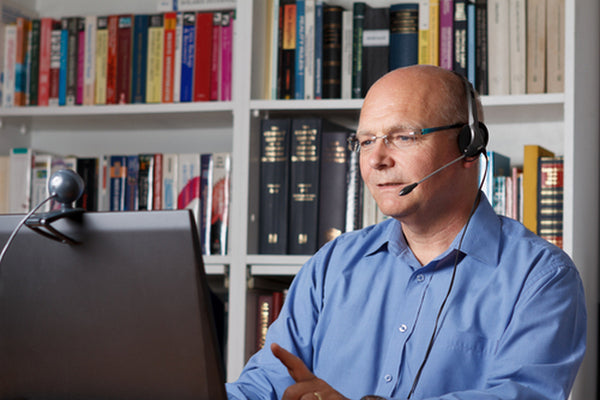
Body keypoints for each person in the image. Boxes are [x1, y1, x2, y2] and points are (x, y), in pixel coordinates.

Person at [226, 65, 586, 400]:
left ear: (469, 145)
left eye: (403, 137)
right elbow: (261, 387)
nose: (376, 159)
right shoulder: (332, 265)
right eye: (366, 141)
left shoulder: (541, 277)